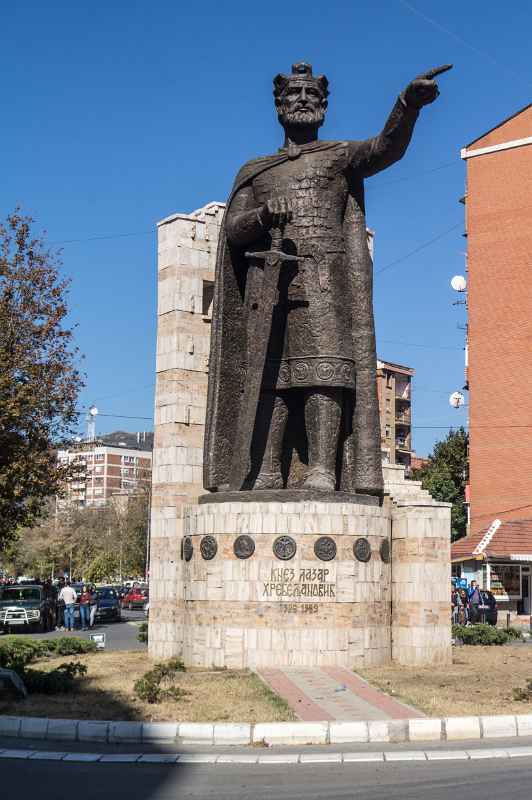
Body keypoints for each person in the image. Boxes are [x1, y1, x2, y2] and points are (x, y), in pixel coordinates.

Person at [204, 61, 450, 496]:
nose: (302, 101)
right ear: (279, 106)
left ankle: (321, 467)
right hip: (269, 290)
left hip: (325, 284)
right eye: (293, 95)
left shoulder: (338, 155)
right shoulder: (257, 171)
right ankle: (266, 470)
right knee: (270, 380)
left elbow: (385, 148)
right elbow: (234, 230)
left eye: (311, 96)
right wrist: (263, 215)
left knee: (325, 375)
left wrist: (407, 105)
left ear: (323, 106)